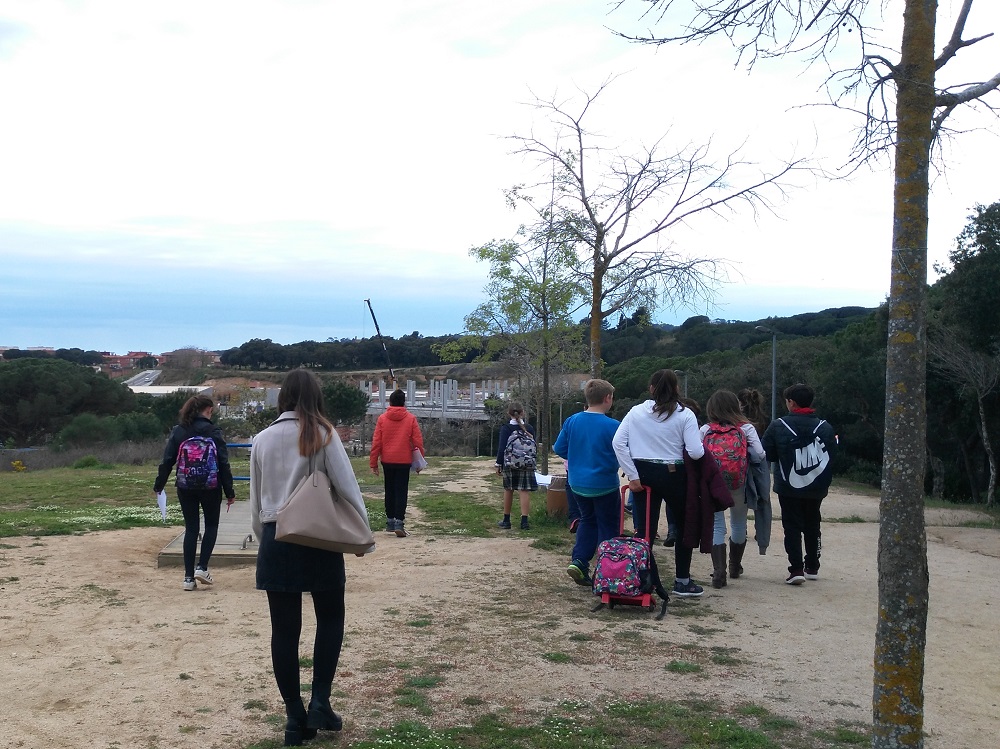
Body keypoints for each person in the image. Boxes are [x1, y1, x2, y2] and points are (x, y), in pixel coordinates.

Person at [249, 369, 372, 745]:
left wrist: (263, 536)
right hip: (318, 538)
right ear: (316, 396)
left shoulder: (262, 439)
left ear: (283, 397)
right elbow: (347, 487)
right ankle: (320, 700)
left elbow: (256, 500)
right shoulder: (323, 433)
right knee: (331, 618)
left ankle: (293, 716)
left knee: (284, 632)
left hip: (276, 538)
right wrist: (362, 535)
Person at [612, 369, 706, 598]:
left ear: (651, 388)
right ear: (676, 389)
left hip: (643, 475)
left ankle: (645, 578)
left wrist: (633, 475)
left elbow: (618, 443)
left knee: (645, 530)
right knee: (683, 526)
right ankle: (682, 581)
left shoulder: (636, 412)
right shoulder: (685, 415)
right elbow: (695, 452)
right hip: (674, 474)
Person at [153, 394, 235, 591]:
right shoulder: (214, 431)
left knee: (191, 529)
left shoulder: (179, 431)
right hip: (211, 486)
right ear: (207, 410)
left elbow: (167, 460)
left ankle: (188, 578)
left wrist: (159, 485)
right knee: (211, 525)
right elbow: (223, 464)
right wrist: (229, 491)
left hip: (185, 486)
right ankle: (202, 567)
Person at [761, 383, 837, 585]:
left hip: (788, 486)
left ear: (791, 403)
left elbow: (766, 453)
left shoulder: (778, 425)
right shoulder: (825, 427)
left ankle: (796, 569)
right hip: (816, 485)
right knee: (813, 524)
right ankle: (812, 565)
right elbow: (832, 454)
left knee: (791, 526)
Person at [552, 379, 620, 586]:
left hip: (578, 484)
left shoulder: (572, 420)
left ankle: (579, 560)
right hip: (604, 484)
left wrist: (577, 456)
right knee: (608, 525)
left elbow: (559, 448)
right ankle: (607, 569)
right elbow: (623, 452)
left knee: (587, 520)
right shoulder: (613, 426)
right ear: (607, 398)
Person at [699, 390, 765, 588]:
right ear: (737, 407)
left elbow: (696, 452)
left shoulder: (705, 429)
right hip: (739, 483)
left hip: (714, 484)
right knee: (738, 524)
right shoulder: (746, 429)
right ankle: (735, 566)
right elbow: (760, 454)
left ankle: (719, 573)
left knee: (717, 525)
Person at [369, 389, 425, 537]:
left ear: (390, 402)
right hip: (404, 459)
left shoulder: (382, 418)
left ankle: (390, 521)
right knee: (401, 491)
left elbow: (376, 442)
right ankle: (399, 522)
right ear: (404, 402)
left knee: (389, 490)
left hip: (387, 459)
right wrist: (419, 462)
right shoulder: (411, 418)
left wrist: (373, 462)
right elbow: (417, 441)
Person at [738, 387, 773, 557]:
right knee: (762, 498)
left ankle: (741, 529)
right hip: (759, 463)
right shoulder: (763, 419)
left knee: (742, 499)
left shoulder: (738, 421)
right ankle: (761, 533)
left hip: (741, 461)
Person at [494, 401, 537, 530]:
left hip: (510, 463)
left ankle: (506, 520)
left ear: (509, 413)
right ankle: (524, 522)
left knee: (509, 489)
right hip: (527, 463)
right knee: (524, 491)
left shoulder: (506, 428)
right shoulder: (529, 428)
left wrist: (498, 464)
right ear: (523, 412)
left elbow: (502, 448)